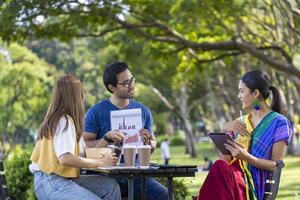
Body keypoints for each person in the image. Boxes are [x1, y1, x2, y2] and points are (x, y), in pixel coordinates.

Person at [197, 70, 293, 200]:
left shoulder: (279, 122)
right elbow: (224, 161)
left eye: (242, 91)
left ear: (256, 93)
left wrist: (246, 157)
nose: (238, 96)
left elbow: (276, 165)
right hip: (233, 180)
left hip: (255, 184)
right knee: (219, 166)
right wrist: (223, 130)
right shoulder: (239, 122)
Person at [83, 61, 168, 199]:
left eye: (132, 80)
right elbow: (85, 144)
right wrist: (106, 139)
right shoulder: (96, 112)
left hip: (137, 177)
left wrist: (148, 142)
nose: (132, 85)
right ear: (112, 87)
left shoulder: (143, 110)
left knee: (164, 194)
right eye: (126, 83)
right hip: (106, 176)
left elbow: (152, 145)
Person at [29, 75, 121, 200]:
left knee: (110, 187)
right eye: (81, 92)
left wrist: (106, 139)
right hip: (51, 182)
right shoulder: (63, 121)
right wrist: (101, 162)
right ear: (75, 96)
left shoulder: (66, 120)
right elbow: (65, 158)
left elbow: (84, 155)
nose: (83, 95)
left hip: (58, 179)